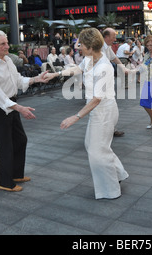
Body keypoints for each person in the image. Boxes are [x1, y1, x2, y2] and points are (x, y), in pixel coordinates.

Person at [42, 28, 129, 199]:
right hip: (98, 111)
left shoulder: (103, 66)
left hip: (104, 111)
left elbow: (96, 99)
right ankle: (119, 173)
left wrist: (75, 117)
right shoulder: (90, 59)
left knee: (97, 151)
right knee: (93, 145)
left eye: (81, 44)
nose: (78, 47)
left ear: (90, 46)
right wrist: (55, 74)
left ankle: (111, 190)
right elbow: (77, 69)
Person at [0, 30, 48, 192]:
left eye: (6, 43)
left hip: (12, 104)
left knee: (20, 140)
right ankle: (5, 182)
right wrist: (20, 108)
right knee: (5, 146)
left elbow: (18, 80)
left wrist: (36, 79)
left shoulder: (8, 61)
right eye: (2, 44)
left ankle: (17, 174)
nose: (7, 46)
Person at [102, 28, 129, 137]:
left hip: (108, 82)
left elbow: (114, 58)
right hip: (101, 82)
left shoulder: (107, 47)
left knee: (111, 107)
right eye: (113, 36)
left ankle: (111, 128)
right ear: (107, 37)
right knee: (102, 107)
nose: (115, 39)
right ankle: (104, 130)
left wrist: (123, 68)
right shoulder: (98, 47)